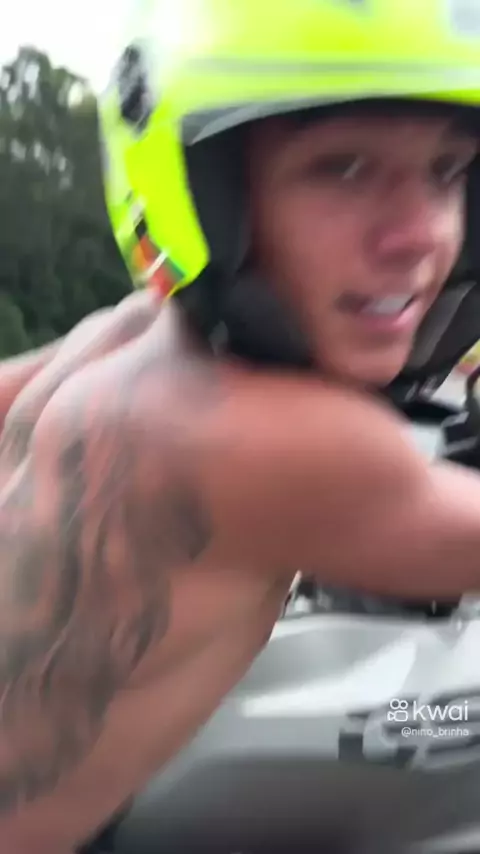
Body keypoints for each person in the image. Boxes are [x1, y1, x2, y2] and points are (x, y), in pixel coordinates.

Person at [2, 0, 480, 851]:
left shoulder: (124, 338)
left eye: (447, 171)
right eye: (343, 168)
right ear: (202, 185)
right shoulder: (274, 447)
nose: (419, 236)